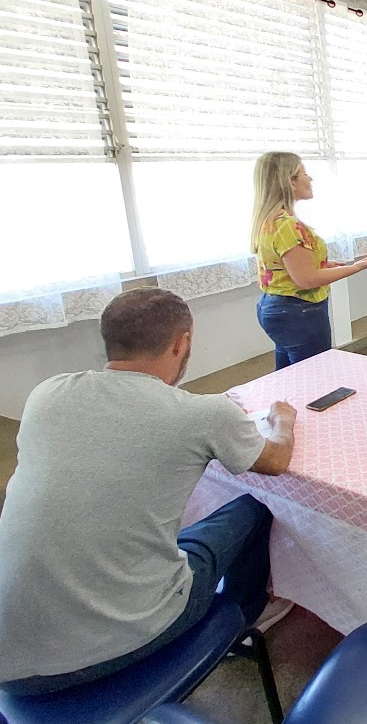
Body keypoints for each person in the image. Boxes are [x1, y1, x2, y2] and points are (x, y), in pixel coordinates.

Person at [0, 288, 296, 696]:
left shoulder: (46, 395)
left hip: (8, 663)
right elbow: (276, 462)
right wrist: (283, 419)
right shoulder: (204, 413)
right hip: (109, 646)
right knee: (254, 506)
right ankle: (246, 620)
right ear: (182, 343)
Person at [251, 152, 367, 370]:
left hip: (277, 307)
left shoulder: (271, 220)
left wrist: (323, 265)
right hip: (298, 312)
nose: (310, 179)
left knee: (290, 376)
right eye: (304, 174)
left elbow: (284, 267)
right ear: (290, 181)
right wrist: (357, 267)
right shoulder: (287, 225)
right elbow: (307, 280)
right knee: (315, 377)